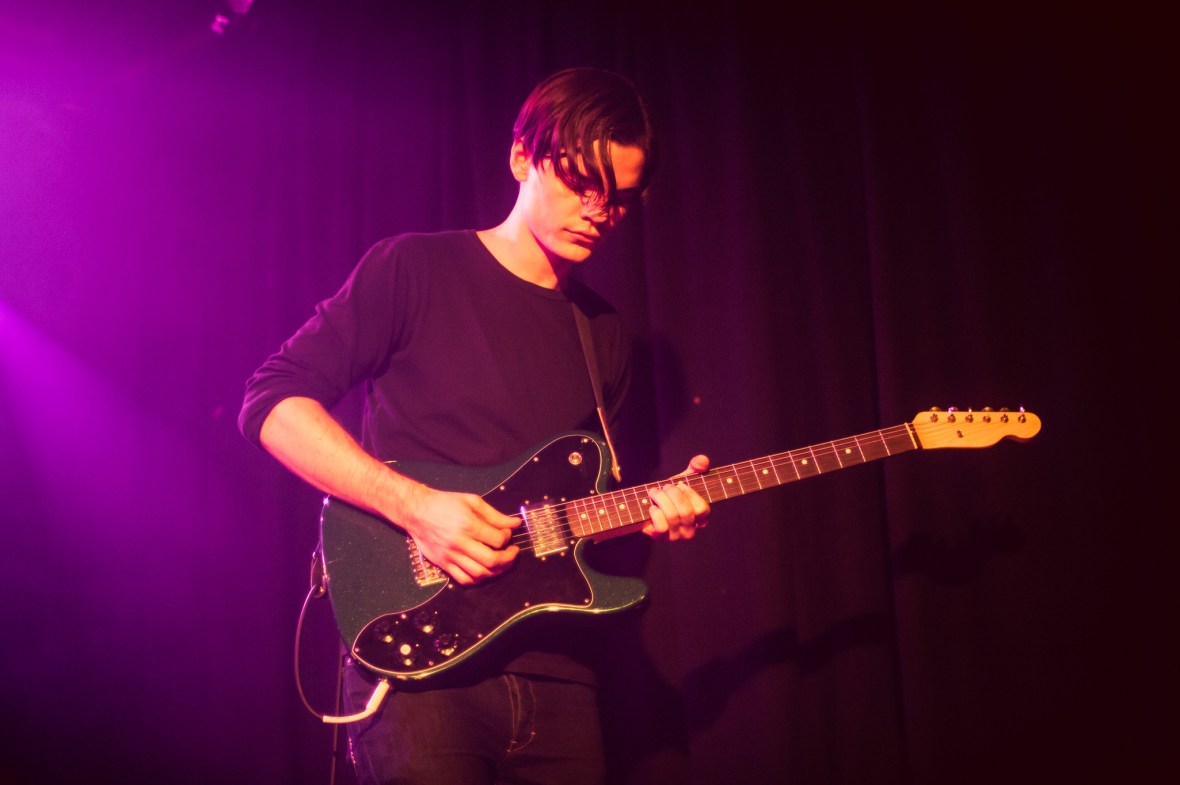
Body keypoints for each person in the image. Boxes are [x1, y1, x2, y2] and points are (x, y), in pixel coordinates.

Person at [239, 67, 710, 785]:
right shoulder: (414, 269)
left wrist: (650, 513)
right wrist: (416, 508)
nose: (598, 211)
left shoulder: (603, 333)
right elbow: (272, 402)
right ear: (521, 157)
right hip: (419, 670)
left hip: (560, 676)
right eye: (581, 183)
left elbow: (557, 520)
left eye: (618, 197)